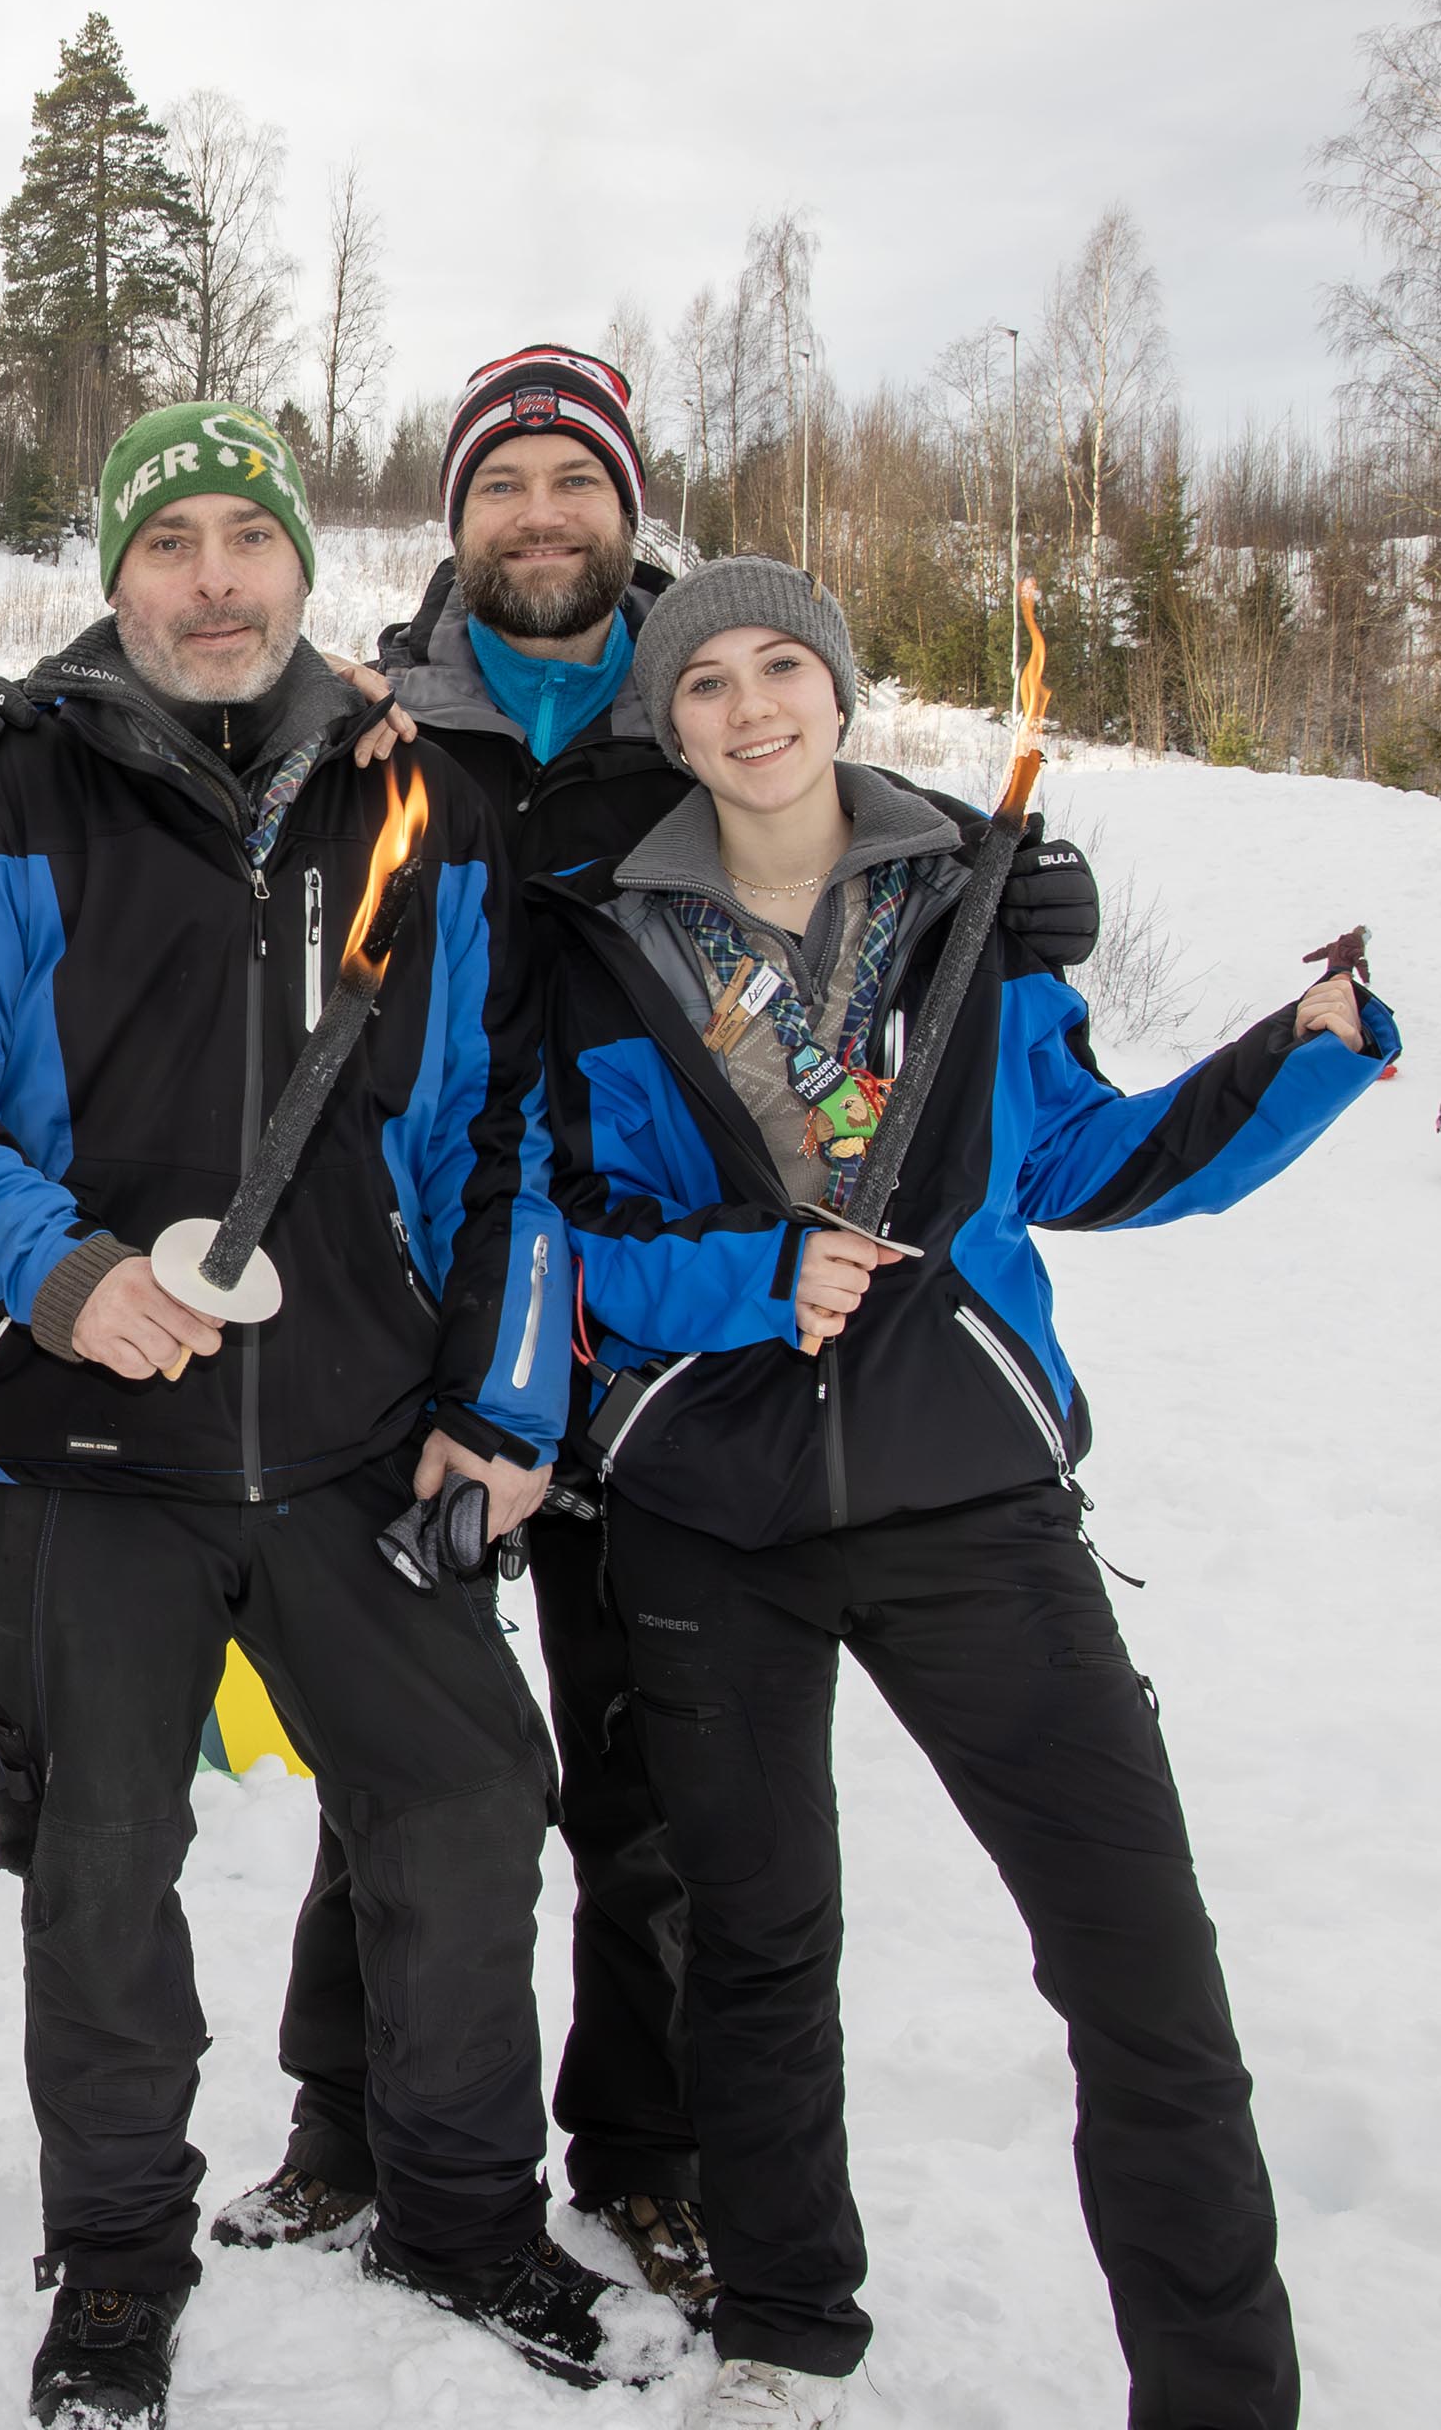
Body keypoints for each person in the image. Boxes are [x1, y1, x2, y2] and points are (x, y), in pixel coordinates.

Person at [121, 347, 1107, 2323]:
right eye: (503, 485)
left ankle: (644, 2152)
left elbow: (836, 829)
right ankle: (346, 2115)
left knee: (647, 1780)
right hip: (429, 1309)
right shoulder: (390, 717)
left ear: (626, 508)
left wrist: (997, 890)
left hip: (666, 1344)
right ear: (459, 520)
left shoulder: (702, 696)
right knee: (403, 1750)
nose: (541, 513)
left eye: (574, 479)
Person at [0, 401, 664, 2428]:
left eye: (247, 538)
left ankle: (460, 2212)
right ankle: (117, 2261)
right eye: (169, 542)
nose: (212, 580)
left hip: (358, 1436)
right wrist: (54, 1269)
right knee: (99, 1866)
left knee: (467, 1804)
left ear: (303, 564)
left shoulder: (420, 803)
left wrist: (495, 1398)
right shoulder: (2, 791)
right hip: (79, 1443)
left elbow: (509, 1135)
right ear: (114, 571)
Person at [539, 557, 1389, 2430]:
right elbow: (568, 1238)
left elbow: (1084, 1163)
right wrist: (758, 1279)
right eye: (705, 681)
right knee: (757, 1949)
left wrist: (1301, 1060)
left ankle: (1222, 2390)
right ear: (667, 722)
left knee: (1139, 1964)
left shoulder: (973, 912)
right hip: (712, 1518)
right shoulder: (599, 940)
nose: (751, 706)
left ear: (839, 691)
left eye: (784, 664)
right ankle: (785, 2330)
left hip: (974, 1502)